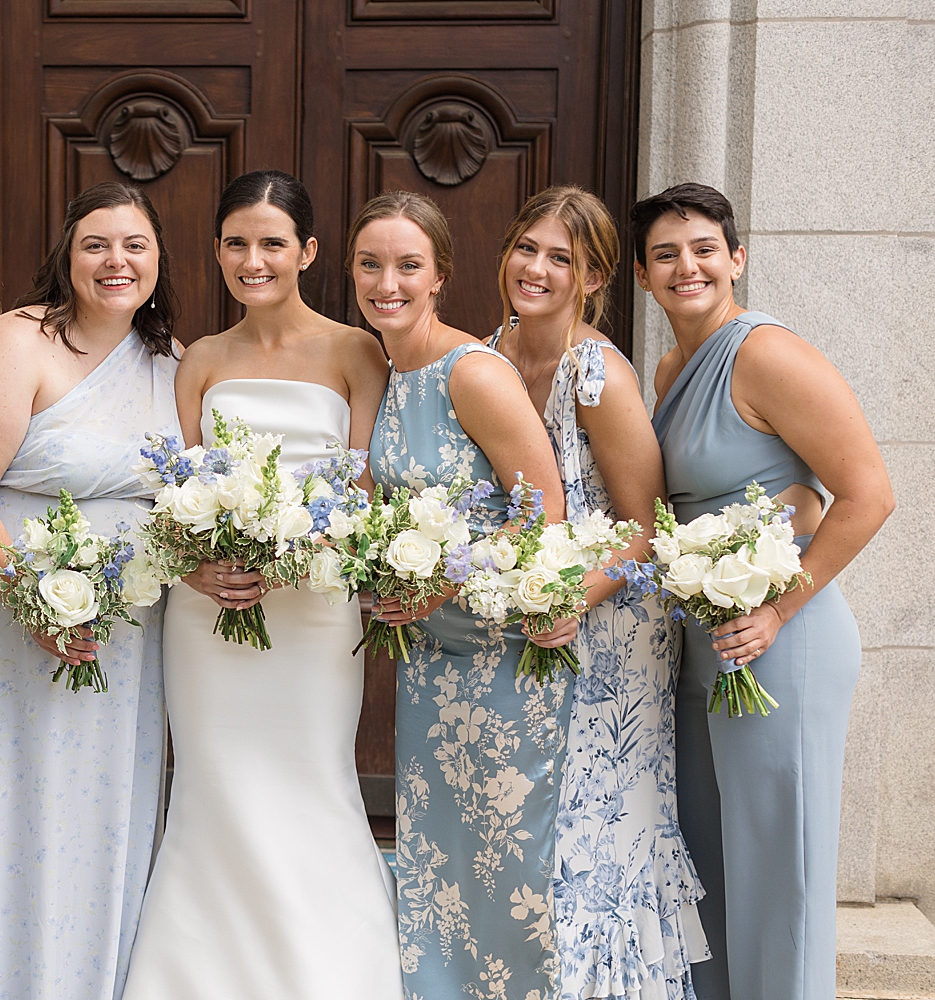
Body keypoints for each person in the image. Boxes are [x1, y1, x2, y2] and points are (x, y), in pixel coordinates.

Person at [121, 170, 400, 998]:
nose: (254, 258)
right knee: (215, 787)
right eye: (237, 242)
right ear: (215, 251)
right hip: (209, 618)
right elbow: (172, 496)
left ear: (308, 252)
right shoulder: (201, 359)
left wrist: (305, 545)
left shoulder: (356, 351)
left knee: (313, 779)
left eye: (273, 242)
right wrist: (198, 560)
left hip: (314, 616)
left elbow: (370, 489)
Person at [635, 182, 893, 1000]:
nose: (688, 267)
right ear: (642, 276)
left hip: (784, 642)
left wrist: (778, 610)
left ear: (737, 258)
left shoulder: (766, 353)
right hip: (708, 643)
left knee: (784, 866)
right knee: (709, 856)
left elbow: (867, 494)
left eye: (705, 248)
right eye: (667, 254)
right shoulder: (669, 366)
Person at [0, 181, 179, 1000]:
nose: (117, 261)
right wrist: (29, 602)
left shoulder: (172, 363)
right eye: (97, 245)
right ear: (67, 259)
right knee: (13, 807)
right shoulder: (16, 342)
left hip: (123, 632)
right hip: (9, 616)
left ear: (157, 260)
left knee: (97, 816)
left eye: (134, 245)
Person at [488, 186, 709, 1000]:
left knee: (598, 820)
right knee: (532, 822)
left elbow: (646, 523)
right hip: (519, 624)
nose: (537, 269)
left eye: (562, 258)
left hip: (611, 624)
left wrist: (572, 596)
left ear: (593, 277)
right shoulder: (483, 357)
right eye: (527, 249)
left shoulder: (599, 372)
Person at [357, 190, 574, 996]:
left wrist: (443, 576)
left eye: (408, 265)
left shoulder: (471, 372)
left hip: (501, 663)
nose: (389, 283)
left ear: (440, 274)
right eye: (371, 264)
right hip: (430, 666)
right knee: (439, 862)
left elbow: (541, 510)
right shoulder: (389, 372)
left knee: (508, 867)